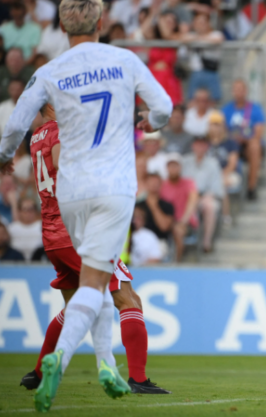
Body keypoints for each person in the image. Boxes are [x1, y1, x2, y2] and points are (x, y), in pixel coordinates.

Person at [0, 0, 172, 411]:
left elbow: (17, 121)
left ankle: (103, 364)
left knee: (88, 291)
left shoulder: (51, 71)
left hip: (67, 198)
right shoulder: (124, 60)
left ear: (61, 26)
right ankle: (72, 361)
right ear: (100, 23)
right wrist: (152, 122)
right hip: (111, 188)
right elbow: (164, 106)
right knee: (105, 286)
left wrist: (5, 158)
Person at [18, 104, 170, 395]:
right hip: (80, 233)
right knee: (128, 300)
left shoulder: (37, 135)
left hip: (52, 235)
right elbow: (66, 169)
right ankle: (137, 379)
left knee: (73, 307)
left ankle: (38, 373)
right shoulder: (63, 132)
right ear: (52, 104)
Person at [222, 79, 266, 200]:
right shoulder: (226, 110)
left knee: (255, 146)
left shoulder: (255, 109)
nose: (238, 93)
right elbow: (222, 132)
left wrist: (244, 139)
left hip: (246, 146)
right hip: (231, 145)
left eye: (241, 90)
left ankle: (251, 187)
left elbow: (258, 133)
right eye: (236, 90)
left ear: (246, 91)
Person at [182, 137, 225, 253]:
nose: (200, 148)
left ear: (207, 147)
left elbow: (216, 189)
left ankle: (206, 242)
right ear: (193, 146)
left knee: (211, 206)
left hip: (204, 197)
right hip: (186, 198)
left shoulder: (213, 163)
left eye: (203, 145)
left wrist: (203, 197)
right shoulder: (184, 161)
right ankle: (182, 240)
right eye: (197, 144)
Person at [161, 153, 199, 262]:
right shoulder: (162, 184)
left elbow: (193, 200)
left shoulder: (188, 183)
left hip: (186, 223)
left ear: (180, 167)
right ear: (167, 168)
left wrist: (183, 221)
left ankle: (177, 262)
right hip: (169, 222)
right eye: (171, 166)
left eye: (176, 166)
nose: (173, 169)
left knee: (178, 231)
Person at [208, 111, 241, 223]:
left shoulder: (230, 142)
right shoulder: (204, 141)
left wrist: (220, 175)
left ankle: (225, 215)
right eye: (213, 124)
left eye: (218, 124)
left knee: (221, 183)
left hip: (228, 174)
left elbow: (232, 164)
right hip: (209, 174)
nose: (216, 127)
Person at [185, 12, 224, 102]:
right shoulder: (191, 36)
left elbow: (218, 40)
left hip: (211, 72)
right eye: (198, 22)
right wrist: (198, 37)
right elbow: (182, 39)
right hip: (196, 73)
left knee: (213, 101)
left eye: (203, 22)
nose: (201, 25)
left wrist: (199, 39)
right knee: (193, 101)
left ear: (208, 23)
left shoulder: (215, 34)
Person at [136, 172, 174, 253]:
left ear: (161, 185)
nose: (154, 185)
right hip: (139, 241)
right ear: (146, 184)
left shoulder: (167, 206)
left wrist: (154, 206)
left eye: (156, 183)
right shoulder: (138, 206)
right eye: (151, 182)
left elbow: (164, 227)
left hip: (159, 242)